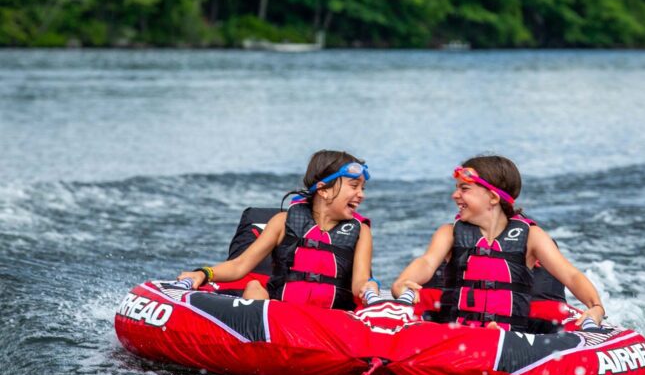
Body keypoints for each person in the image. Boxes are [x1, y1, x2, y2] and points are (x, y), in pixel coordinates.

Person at [391, 155, 605, 331]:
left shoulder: (532, 236)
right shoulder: (449, 233)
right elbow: (427, 262)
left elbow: (570, 275)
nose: (454, 195)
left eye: (464, 189)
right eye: (457, 188)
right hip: (459, 337)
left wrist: (595, 306)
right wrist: (404, 281)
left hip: (513, 341)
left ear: (493, 198)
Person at [178, 150, 379, 310]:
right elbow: (240, 265)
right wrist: (203, 274)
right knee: (254, 289)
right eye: (354, 186)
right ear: (324, 190)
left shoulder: (360, 232)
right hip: (279, 315)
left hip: (330, 321)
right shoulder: (282, 222)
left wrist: (368, 287)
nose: (361, 195)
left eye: (363, 188)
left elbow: (359, 282)